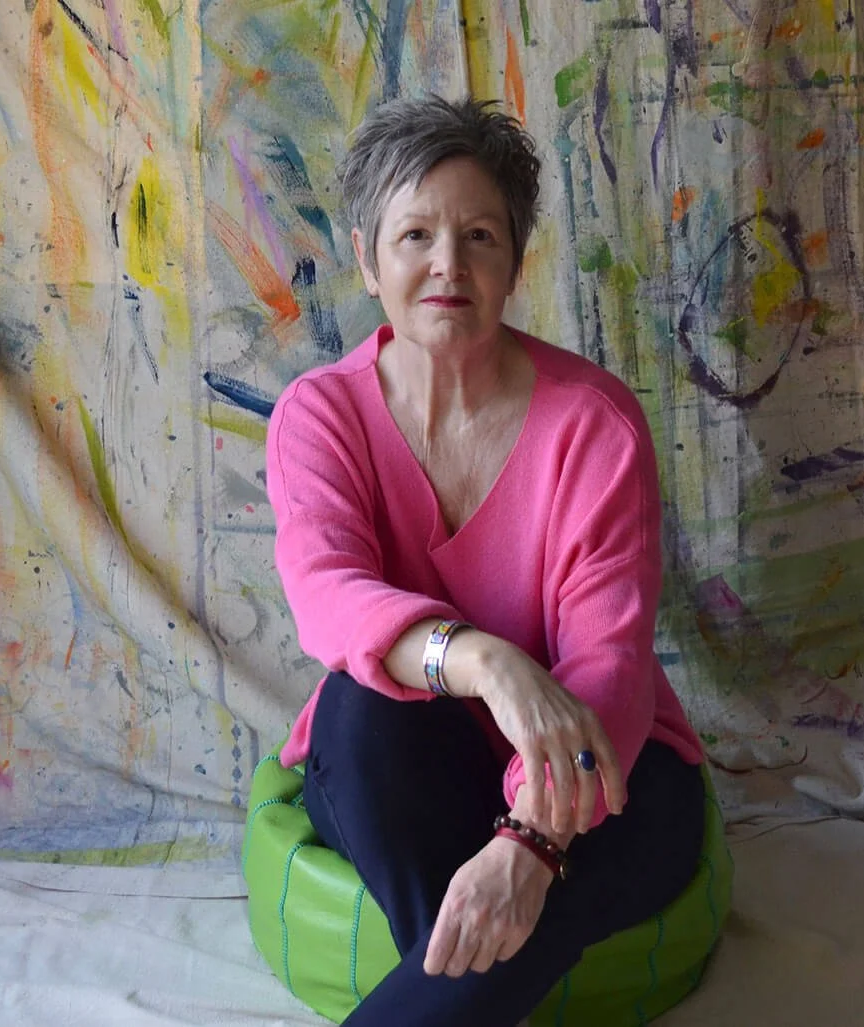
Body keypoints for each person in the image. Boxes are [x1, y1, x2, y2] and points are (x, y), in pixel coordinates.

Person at [264, 95, 709, 1026]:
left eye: (478, 235)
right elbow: (328, 598)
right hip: (405, 764)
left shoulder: (595, 423)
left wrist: (531, 846)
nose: (447, 266)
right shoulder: (320, 415)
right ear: (364, 257)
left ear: (515, 258)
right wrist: (483, 659)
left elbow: (610, 665)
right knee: (357, 707)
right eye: (415, 234)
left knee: (651, 819)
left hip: (598, 770)